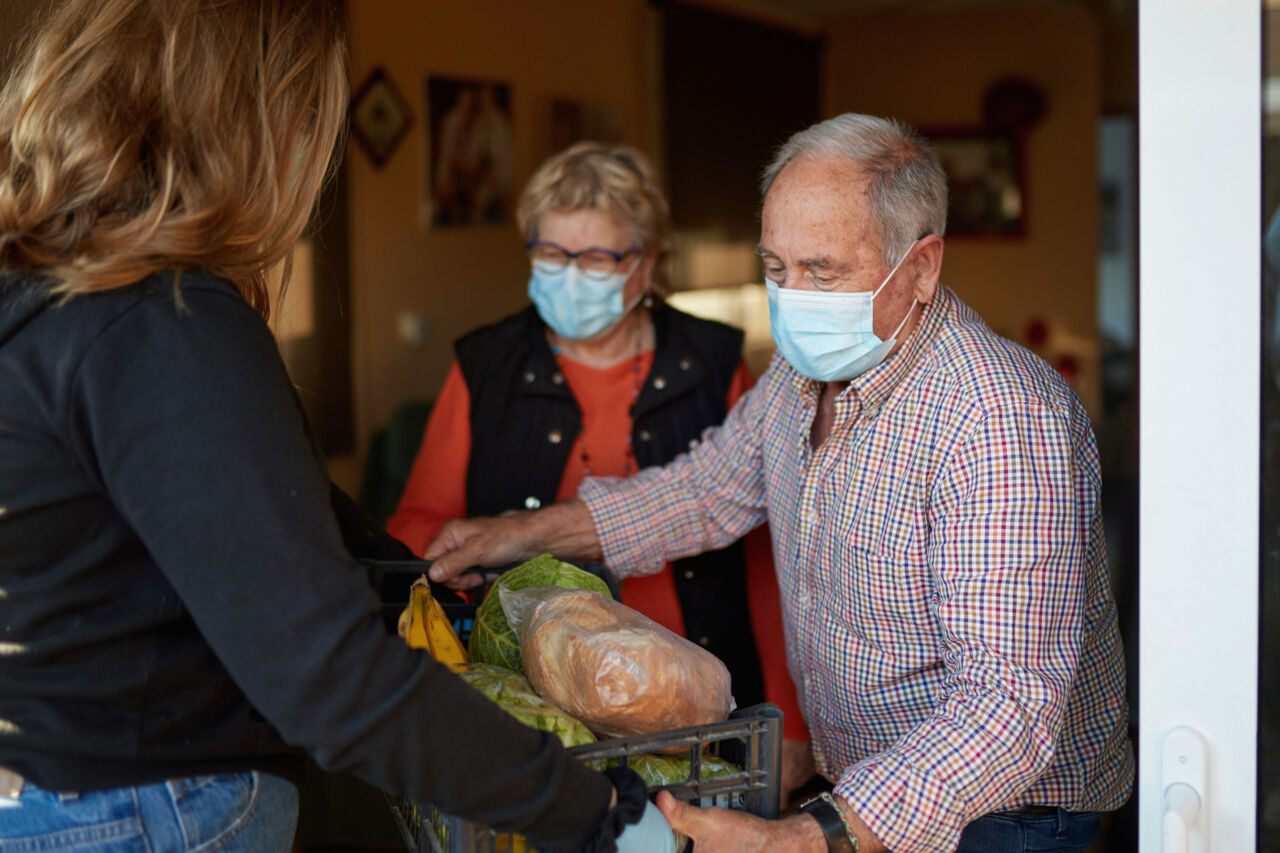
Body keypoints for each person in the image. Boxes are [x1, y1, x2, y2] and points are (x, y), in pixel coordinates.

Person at [0, 2, 672, 851]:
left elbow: (236, 513)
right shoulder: (162, 323)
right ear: (252, 117)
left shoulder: (47, 295)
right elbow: (331, 680)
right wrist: (595, 813)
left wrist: (410, 577)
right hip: (140, 808)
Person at [425, 113, 1136, 853]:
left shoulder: (1000, 419)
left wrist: (800, 836)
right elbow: (703, 490)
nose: (792, 297)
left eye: (822, 271)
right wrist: (517, 532)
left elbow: (1006, 707)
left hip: (1002, 818)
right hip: (867, 789)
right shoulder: (804, 372)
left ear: (922, 267)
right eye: (776, 268)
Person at [386, 139, 814, 800]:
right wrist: (484, 548)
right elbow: (416, 525)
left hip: (695, 705)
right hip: (539, 706)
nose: (569, 274)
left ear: (648, 262)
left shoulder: (711, 360)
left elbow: (768, 552)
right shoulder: (488, 364)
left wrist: (788, 715)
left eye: (595, 257)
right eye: (551, 253)